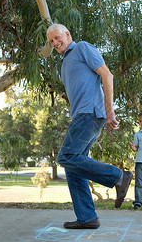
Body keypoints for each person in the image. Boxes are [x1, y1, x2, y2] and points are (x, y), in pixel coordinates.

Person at [46, 24, 133, 229]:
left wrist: (109, 110)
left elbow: (107, 75)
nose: (55, 43)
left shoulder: (82, 48)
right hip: (81, 115)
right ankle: (87, 217)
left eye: (57, 37)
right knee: (73, 166)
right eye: (51, 41)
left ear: (67, 35)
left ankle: (119, 176)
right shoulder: (65, 61)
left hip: (90, 113)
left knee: (66, 157)